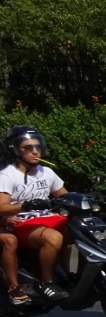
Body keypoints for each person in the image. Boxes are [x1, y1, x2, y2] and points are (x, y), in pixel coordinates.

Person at [0, 125, 70, 302]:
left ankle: (70, 276)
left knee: (80, 229)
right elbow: (2, 207)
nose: (35, 151)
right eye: (28, 148)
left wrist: (86, 198)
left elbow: (65, 197)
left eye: (38, 147)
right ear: (15, 150)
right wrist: (25, 206)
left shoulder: (47, 172)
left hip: (46, 220)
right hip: (23, 224)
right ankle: (47, 283)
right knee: (54, 238)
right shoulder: (7, 176)